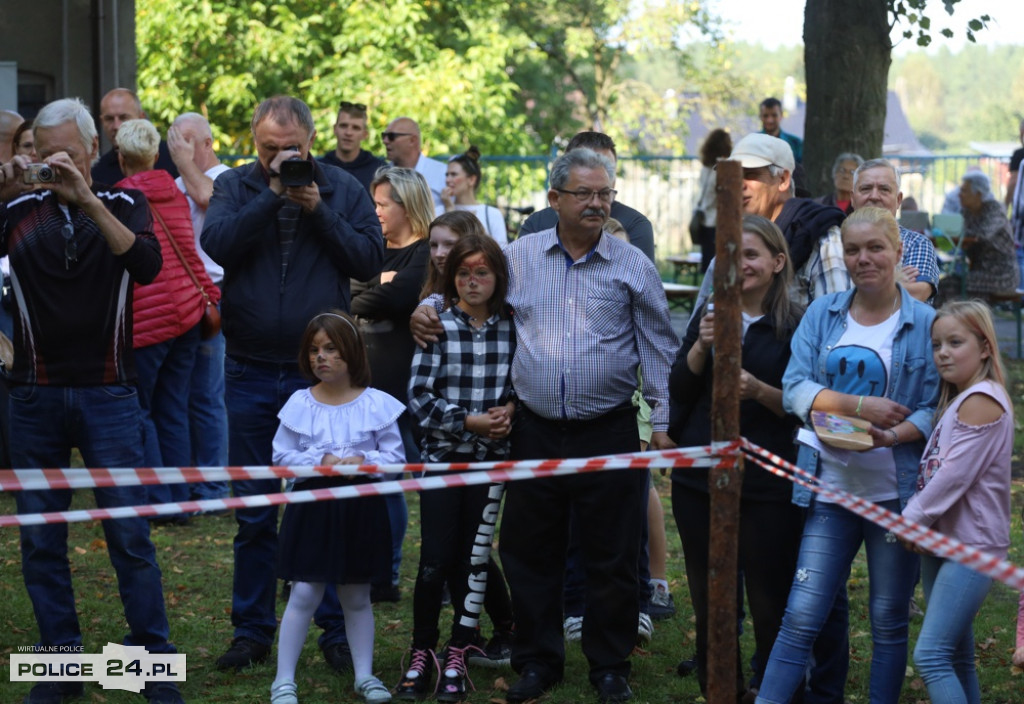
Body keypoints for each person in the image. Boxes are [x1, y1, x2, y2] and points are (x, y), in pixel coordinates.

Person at [0, 97, 184, 704]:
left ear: (88, 151)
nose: (55, 164)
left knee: (129, 534)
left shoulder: (125, 199)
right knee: (40, 539)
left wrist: (86, 197)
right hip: (34, 393)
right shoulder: (18, 208)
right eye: (41, 154)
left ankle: (152, 668)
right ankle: (61, 670)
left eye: (68, 155)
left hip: (109, 390)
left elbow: (149, 264)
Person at [201, 94, 383, 673]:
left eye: (292, 150)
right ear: (255, 144)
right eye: (269, 150)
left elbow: (367, 257)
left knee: (324, 502)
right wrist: (275, 195)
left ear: (311, 141)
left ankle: (332, 629)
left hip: (319, 376)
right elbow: (218, 244)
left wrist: (316, 207)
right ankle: (252, 629)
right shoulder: (236, 185)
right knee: (256, 510)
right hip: (251, 367)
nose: (281, 159)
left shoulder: (341, 187)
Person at [498, 148, 677, 704]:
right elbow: (470, 297)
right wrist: (429, 304)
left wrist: (663, 421)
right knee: (530, 551)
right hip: (535, 430)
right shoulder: (518, 258)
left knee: (615, 553)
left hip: (609, 430)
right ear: (555, 200)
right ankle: (537, 660)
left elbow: (658, 348)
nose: (598, 203)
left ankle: (609, 665)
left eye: (605, 193)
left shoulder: (631, 265)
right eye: (585, 194)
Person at [755, 207, 940, 704]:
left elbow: (933, 408)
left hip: (894, 498)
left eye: (875, 248)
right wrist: (857, 406)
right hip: (830, 490)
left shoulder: (925, 323)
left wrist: (893, 433)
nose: (864, 259)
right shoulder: (824, 313)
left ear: (899, 252)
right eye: (853, 250)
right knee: (801, 616)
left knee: (887, 621)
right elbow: (794, 388)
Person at [669, 214, 804, 701]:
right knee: (710, 598)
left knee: (769, 602)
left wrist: (760, 390)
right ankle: (719, 689)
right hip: (698, 477)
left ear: (776, 261)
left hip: (767, 479)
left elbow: (803, 404)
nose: (740, 264)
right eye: (731, 255)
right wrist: (702, 348)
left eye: (750, 254)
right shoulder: (710, 308)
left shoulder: (797, 323)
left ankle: (773, 691)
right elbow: (679, 389)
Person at [399, 234, 516, 701]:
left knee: (474, 558)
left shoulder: (515, 326)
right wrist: (469, 422)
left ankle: (459, 649)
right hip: (444, 461)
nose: (472, 281)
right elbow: (419, 398)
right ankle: (422, 649)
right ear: (452, 279)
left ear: (498, 279)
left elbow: (524, 385)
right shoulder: (438, 326)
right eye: (464, 273)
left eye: (482, 273)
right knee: (434, 560)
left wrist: (511, 409)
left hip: (492, 466)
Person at [270, 311, 402, 704]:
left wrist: (365, 465)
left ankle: (365, 676)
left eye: (330, 349)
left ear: (352, 352)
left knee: (357, 596)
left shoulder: (377, 404)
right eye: (314, 350)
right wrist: (319, 465)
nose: (320, 357)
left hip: (361, 510)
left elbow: (395, 460)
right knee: (304, 592)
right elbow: (281, 456)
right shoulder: (300, 403)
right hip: (312, 509)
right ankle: (283, 681)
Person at [901, 300, 1012, 704]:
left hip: (972, 546)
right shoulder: (959, 399)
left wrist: (911, 518)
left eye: (955, 342)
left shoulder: (983, 399)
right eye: (937, 345)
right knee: (957, 655)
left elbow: (953, 476)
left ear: (984, 348)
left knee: (930, 656)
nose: (943, 352)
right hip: (942, 540)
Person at [115, 118, 219, 520]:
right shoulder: (175, 194)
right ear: (157, 155)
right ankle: (181, 495)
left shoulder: (118, 200)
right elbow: (189, 251)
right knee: (173, 407)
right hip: (187, 314)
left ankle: (159, 501)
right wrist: (210, 296)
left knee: (141, 410)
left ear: (121, 158)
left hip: (148, 321)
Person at [352, 166, 433, 603]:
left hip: (407, 387)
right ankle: (369, 568)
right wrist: (374, 286)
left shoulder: (426, 252)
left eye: (384, 204)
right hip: (362, 383)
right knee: (368, 479)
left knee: (401, 482)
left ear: (409, 205)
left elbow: (398, 297)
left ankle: (390, 574)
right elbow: (342, 292)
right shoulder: (369, 249)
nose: (375, 211)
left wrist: (373, 290)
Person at [168, 111, 232, 501]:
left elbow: (207, 197)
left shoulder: (228, 178)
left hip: (215, 299)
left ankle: (212, 486)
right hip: (180, 301)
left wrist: (182, 163)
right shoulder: (175, 182)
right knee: (182, 394)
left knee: (208, 395)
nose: (179, 145)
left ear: (208, 143)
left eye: (187, 138)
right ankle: (188, 479)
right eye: (174, 138)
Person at [518, 131, 655, 262]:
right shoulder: (537, 224)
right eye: (586, 166)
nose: (596, 175)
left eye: (607, 169)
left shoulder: (635, 226)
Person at [851, 159, 940, 303]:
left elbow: (916, 295)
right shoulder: (833, 241)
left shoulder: (916, 244)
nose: (874, 196)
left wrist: (852, 286)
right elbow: (826, 302)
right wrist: (893, 281)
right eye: (866, 188)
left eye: (884, 189)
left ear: (898, 200)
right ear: (853, 198)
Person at [92, 88, 178, 185]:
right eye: (109, 119)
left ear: (141, 117)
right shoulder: (97, 172)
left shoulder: (173, 157)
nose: (116, 126)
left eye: (123, 117)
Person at [959, 171, 1019, 297]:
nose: (960, 195)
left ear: (978, 194)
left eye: (964, 191)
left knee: (957, 284)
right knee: (947, 283)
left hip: (1002, 274)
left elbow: (983, 234)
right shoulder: (967, 212)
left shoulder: (995, 210)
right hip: (979, 270)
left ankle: (973, 315)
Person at [439, 147, 507, 243]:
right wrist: (449, 209)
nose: (447, 180)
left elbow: (500, 251)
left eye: (454, 174)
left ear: (471, 180)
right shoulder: (439, 211)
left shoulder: (492, 214)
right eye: (447, 175)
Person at [319, 100, 386, 194]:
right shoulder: (319, 168)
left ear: (364, 134)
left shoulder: (379, 171)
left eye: (356, 128)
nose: (348, 133)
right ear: (335, 129)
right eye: (343, 126)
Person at [382, 117, 446, 211]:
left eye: (392, 136)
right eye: (384, 136)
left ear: (412, 140)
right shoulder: (381, 173)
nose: (385, 141)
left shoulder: (443, 173)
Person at [693, 128, 732, 272]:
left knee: (708, 259)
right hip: (715, 218)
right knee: (715, 260)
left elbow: (702, 192)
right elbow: (712, 193)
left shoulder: (705, 167)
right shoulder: (724, 166)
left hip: (703, 217)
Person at [759, 97, 802, 164]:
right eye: (765, 116)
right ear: (760, 117)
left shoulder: (796, 143)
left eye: (774, 115)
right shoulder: (751, 143)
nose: (770, 120)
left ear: (781, 115)